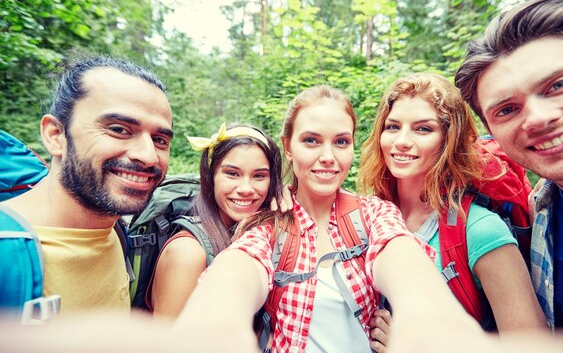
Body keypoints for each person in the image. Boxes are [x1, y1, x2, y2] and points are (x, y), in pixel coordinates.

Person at [177, 85, 485, 352]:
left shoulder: (375, 213)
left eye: (341, 142)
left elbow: (402, 258)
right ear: (288, 146)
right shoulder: (268, 224)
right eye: (311, 141)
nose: (328, 157)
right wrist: (215, 320)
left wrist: (428, 314)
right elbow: (239, 268)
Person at [455, 0, 563, 330]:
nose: (537, 119)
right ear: (492, 134)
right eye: (506, 110)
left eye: (558, 85)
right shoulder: (542, 209)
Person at [359, 73, 546, 332]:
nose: (401, 141)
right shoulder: (369, 215)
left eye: (423, 128)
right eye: (392, 127)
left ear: (449, 141)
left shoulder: (480, 229)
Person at [1, 56, 173, 316]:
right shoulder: (7, 252)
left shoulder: (115, 229)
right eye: (119, 129)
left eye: (160, 140)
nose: (148, 156)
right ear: (56, 135)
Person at [149, 123, 282, 318]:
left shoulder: (254, 232)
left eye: (259, 176)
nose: (246, 188)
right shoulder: (188, 253)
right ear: (210, 176)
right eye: (232, 174)